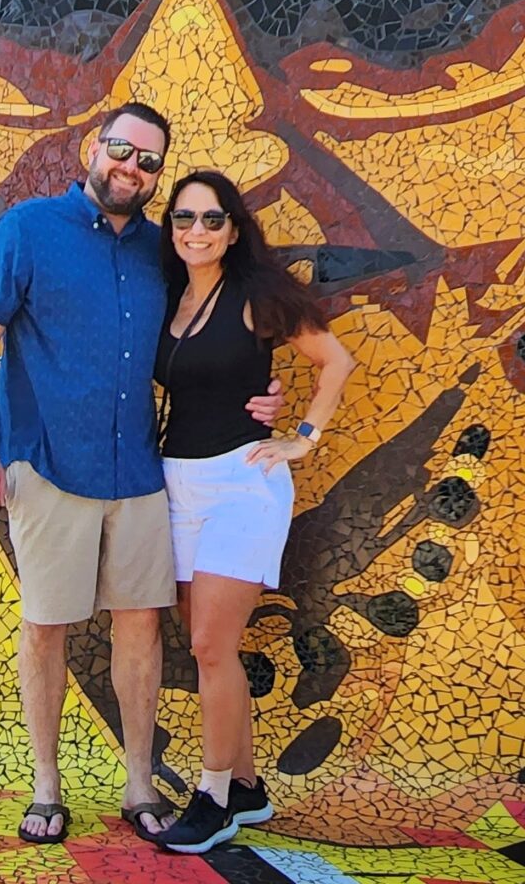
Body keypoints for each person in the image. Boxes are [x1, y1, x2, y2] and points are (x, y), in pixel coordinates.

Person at [0, 105, 282, 845]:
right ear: (92, 149)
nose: (130, 168)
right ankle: (47, 786)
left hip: (140, 469)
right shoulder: (27, 230)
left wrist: (264, 396)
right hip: (47, 463)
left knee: (141, 625)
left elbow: (215, 326)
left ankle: (140, 783)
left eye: (147, 162)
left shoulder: (161, 251)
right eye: (120, 151)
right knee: (45, 627)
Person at [151, 170, 356, 854]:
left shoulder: (256, 294)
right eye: (184, 218)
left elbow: (335, 362)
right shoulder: (169, 294)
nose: (197, 231)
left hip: (243, 485)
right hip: (178, 485)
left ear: (235, 229)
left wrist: (302, 436)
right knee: (207, 645)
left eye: (212, 219)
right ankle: (245, 784)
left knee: (210, 646)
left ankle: (211, 798)